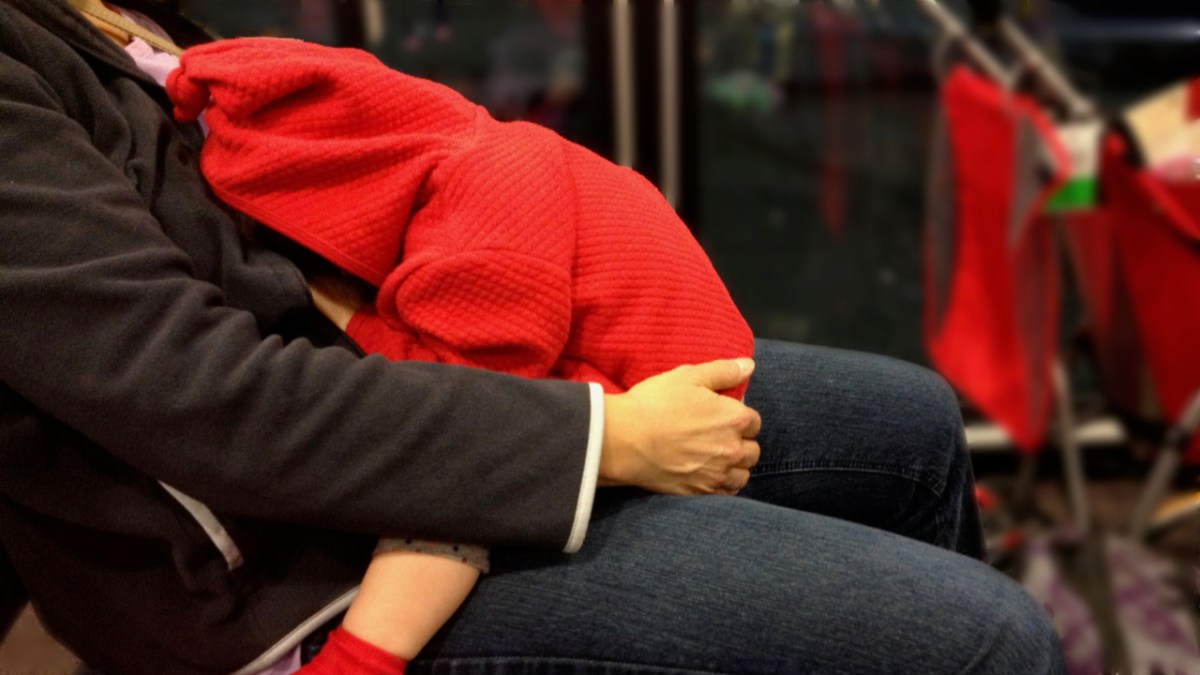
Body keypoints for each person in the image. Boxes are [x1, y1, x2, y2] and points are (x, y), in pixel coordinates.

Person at [0, 1, 1066, 674]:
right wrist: (607, 438)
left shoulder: (114, 20)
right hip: (274, 564)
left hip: (406, 382)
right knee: (989, 638)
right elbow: (206, 396)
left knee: (910, 429)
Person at [160, 35, 756, 675]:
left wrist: (348, 318)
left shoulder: (487, 235)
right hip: (633, 359)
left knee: (453, 475)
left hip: (675, 402)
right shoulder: (460, 149)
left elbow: (467, 446)